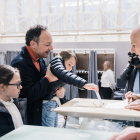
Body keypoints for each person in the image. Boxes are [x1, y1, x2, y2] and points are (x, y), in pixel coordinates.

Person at [11, 24, 99, 126]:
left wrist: (60, 90)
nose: (51, 48)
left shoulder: (40, 60)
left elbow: (46, 87)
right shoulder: (19, 63)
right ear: (33, 44)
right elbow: (25, 96)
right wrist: (47, 79)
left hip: (41, 113)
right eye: (47, 44)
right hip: (31, 120)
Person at [42, 50, 99, 127]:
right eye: (69, 64)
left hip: (52, 104)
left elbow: (59, 90)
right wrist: (84, 84)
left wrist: (65, 110)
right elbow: (64, 74)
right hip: (46, 104)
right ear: (63, 59)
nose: (70, 69)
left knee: (53, 132)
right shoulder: (56, 61)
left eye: (72, 66)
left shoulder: (59, 73)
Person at [0, 65, 27, 137]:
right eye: (17, 84)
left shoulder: (17, 104)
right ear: (2, 87)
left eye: (20, 83)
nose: (21, 87)